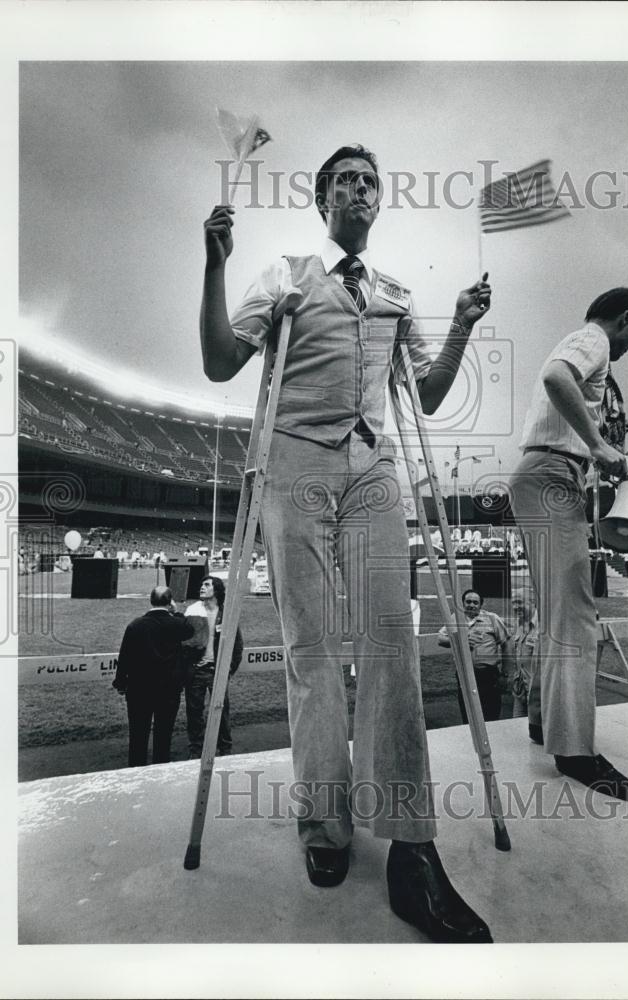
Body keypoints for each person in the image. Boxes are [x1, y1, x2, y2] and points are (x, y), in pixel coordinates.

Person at [200, 144, 494, 943]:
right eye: (348, 181)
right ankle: (323, 823)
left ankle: (410, 844)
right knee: (312, 649)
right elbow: (221, 362)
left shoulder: (396, 293)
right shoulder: (288, 273)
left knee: (391, 639)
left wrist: (462, 326)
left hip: (373, 466)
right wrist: (213, 266)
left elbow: (425, 397)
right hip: (295, 460)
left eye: (373, 181)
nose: (362, 190)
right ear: (322, 198)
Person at [509, 287, 628, 801]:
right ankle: (576, 753)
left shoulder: (585, 340)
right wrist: (597, 444)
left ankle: (546, 723)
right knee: (576, 615)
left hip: (544, 473)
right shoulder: (594, 340)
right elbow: (554, 377)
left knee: (557, 611)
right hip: (551, 473)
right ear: (626, 318)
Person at [112, 586, 194, 766]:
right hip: (169, 689)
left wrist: (120, 682)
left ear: (151, 600)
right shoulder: (177, 624)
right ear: (170, 602)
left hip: (139, 689)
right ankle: (160, 768)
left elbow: (125, 656)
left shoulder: (135, 625)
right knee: (164, 734)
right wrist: (177, 612)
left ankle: (136, 768)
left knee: (138, 734)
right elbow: (190, 630)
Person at [182, 576, 243, 757]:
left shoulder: (226, 614)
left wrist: (228, 669)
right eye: (201, 584)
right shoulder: (192, 611)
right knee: (194, 713)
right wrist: (188, 667)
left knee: (221, 711)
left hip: (218, 672)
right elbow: (183, 643)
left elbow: (237, 645)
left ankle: (225, 747)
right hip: (196, 672)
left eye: (206, 585)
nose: (202, 587)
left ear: (216, 590)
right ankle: (196, 749)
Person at [437, 589, 511, 723]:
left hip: (488, 675)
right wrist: (460, 640)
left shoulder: (492, 618)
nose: (471, 605)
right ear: (463, 604)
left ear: (481, 605)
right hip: (464, 675)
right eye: (468, 602)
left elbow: (506, 645)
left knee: (491, 715)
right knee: (468, 715)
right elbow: (441, 639)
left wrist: (505, 674)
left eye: (475, 602)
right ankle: (471, 743)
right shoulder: (455, 618)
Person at [508, 588, 543, 744]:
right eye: (513, 603)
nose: (516, 607)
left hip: (538, 696)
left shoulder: (544, 627)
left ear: (533, 602)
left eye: (519, 602)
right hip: (520, 691)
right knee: (517, 733)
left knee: (537, 738)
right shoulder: (519, 623)